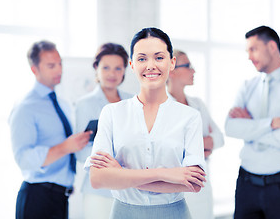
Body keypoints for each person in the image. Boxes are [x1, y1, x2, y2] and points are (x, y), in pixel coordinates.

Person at [84, 27, 207, 219]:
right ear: (132, 65)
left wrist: (121, 174)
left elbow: (193, 184)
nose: (150, 65)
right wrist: (166, 174)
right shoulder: (112, 113)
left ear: (172, 62)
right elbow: (98, 179)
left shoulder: (189, 117)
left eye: (159, 57)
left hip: (174, 213)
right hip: (124, 213)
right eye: (142, 59)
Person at [225, 26, 280, 219]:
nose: (249, 56)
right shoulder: (247, 86)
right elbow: (230, 128)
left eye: (253, 49)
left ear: (272, 46)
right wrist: (271, 124)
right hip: (246, 184)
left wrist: (250, 128)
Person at [9, 40, 92, 219]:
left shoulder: (62, 103)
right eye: (51, 65)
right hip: (37, 197)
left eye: (60, 63)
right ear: (34, 69)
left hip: (61, 197)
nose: (59, 70)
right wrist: (65, 147)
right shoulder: (26, 107)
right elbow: (23, 158)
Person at [75, 43, 132, 219]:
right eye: (106, 67)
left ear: (124, 70)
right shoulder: (84, 104)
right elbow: (81, 152)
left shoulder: (133, 102)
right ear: (96, 68)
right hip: (99, 192)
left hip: (129, 189)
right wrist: (114, 159)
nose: (112, 74)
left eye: (118, 68)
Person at [167, 50, 224, 219]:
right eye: (187, 66)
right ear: (171, 70)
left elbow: (219, 138)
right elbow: (170, 149)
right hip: (177, 186)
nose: (194, 71)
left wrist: (194, 146)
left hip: (202, 182)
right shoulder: (163, 107)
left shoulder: (197, 104)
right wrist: (202, 146)